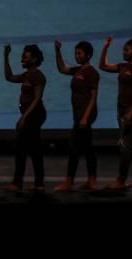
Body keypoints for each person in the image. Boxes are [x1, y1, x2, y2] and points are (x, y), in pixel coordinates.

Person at [100, 36, 132, 190]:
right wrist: (106, 47)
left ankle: (121, 179)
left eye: (126, 50)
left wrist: (131, 113)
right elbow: (102, 66)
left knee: (125, 145)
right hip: (121, 109)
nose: (123, 52)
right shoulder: (122, 66)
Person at [54, 40, 99, 192]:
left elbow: (93, 98)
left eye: (79, 53)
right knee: (88, 148)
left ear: (88, 55)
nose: (76, 56)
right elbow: (61, 68)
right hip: (78, 114)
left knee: (74, 147)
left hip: (85, 114)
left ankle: (69, 181)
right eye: (75, 53)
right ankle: (92, 181)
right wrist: (57, 50)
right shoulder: (78, 70)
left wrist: (86, 117)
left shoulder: (92, 73)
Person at [4, 44, 47, 193]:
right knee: (33, 149)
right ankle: (38, 184)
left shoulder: (38, 75)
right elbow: (9, 77)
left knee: (22, 148)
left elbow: (37, 99)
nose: (22, 58)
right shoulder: (26, 74)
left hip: (35, 114)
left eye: (26, 56)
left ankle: (18, 183)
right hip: (30, 115)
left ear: (34, 59)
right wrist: (6, 57)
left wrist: (24, 118)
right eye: (22, 55)